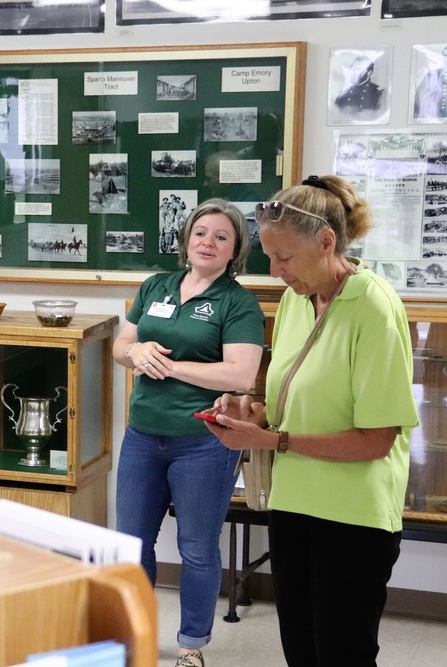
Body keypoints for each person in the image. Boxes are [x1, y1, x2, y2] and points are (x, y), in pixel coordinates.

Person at [206, 175, 418, 667]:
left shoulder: (373, 307)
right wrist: (251, 414)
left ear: (327, 242)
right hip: (293, 505)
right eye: (270, 258)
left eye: (285, 258)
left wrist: (272, 440)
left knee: (342, 654)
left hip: (353, 517)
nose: (277, 271)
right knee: (301, 650)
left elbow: (375, 440)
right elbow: (294, 401)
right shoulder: (296, 300)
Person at [113, 198, 265, 667]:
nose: (208, 242)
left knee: (196, 548)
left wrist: (171, 365)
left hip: (203, 443)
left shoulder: (237, 302)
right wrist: (135, 355)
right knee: (132, 545)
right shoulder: (156, 285)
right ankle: (135, 638)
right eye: (201, 232)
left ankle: (190, 647)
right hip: (142, 435)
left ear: (234, 250)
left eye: (222, 237)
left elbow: (241, 374)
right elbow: (123, 343)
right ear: (186, 238)